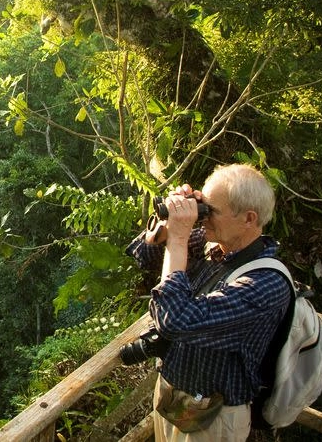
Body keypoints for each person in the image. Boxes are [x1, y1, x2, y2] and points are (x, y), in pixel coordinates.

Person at [125, 164, 292, 441]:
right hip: (173, 398)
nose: (203, 218)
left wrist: (179, 239)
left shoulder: (265, 285)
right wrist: (168, 224)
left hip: (213, 419)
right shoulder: (215, 242)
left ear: (249, 218)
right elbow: (145, 255)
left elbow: (174, 319)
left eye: (210, 210)